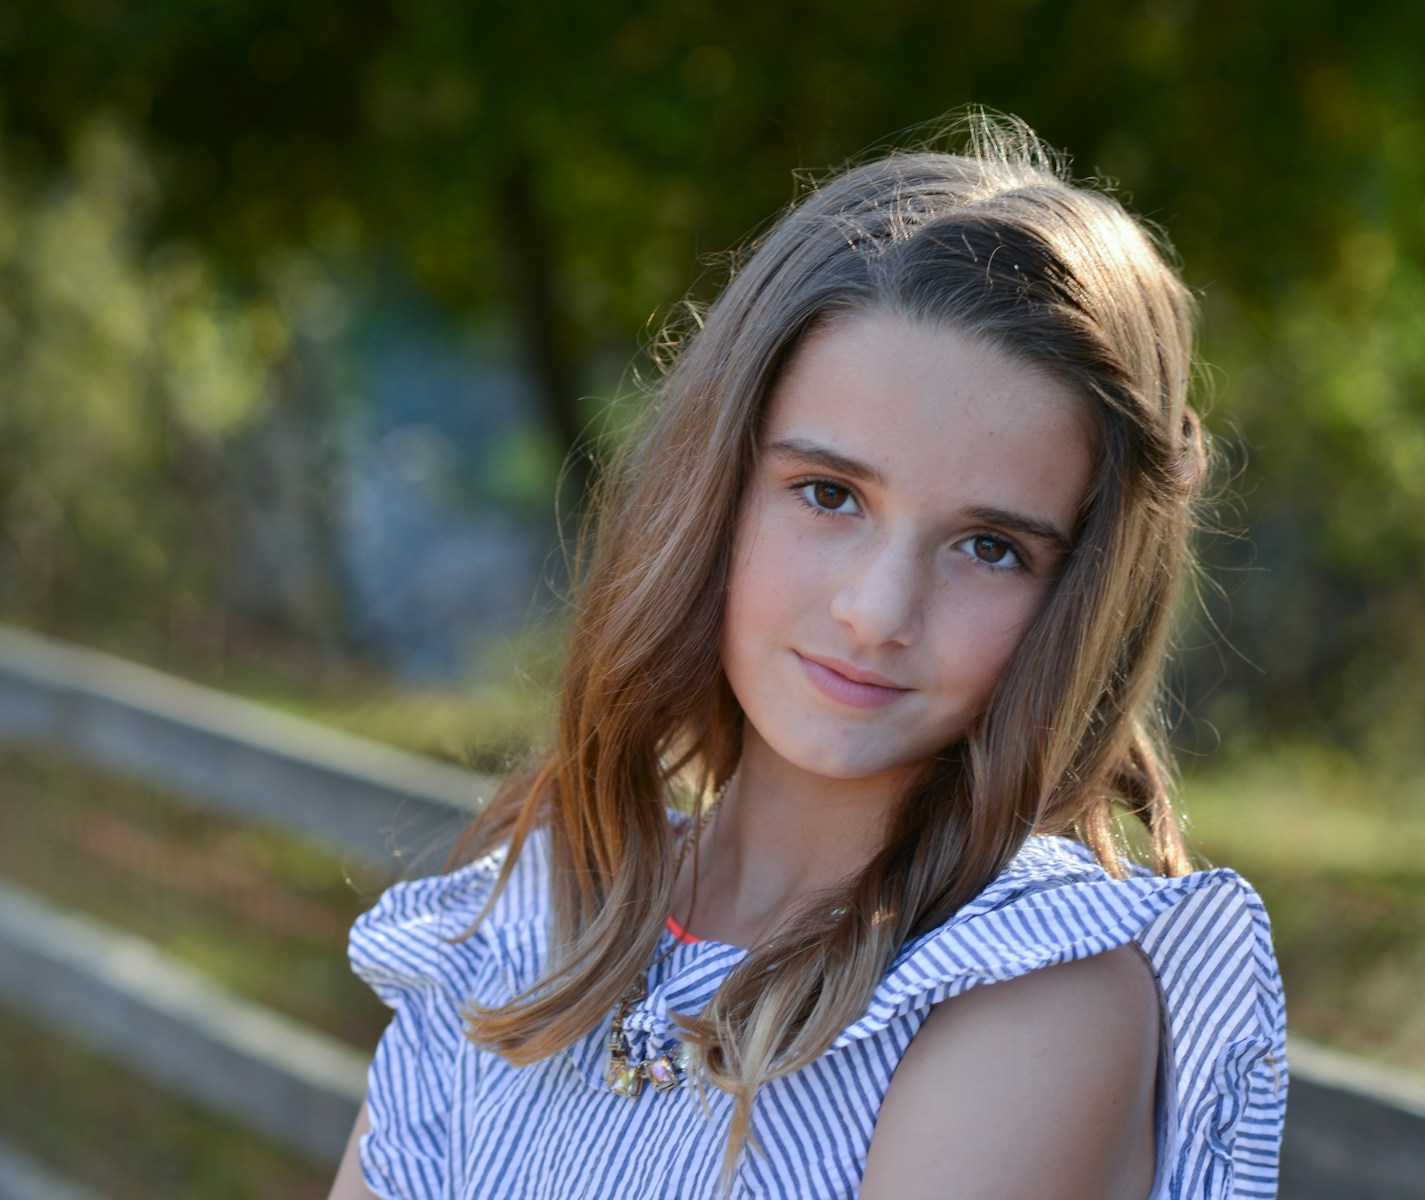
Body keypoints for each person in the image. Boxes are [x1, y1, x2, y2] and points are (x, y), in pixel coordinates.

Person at [329, 113, 1287, 1200]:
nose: (879, 612)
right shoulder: (531, 918)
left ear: (1081, 592)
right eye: (829, 495)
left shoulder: (1029, 995)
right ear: (717, 488)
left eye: (990, 548)